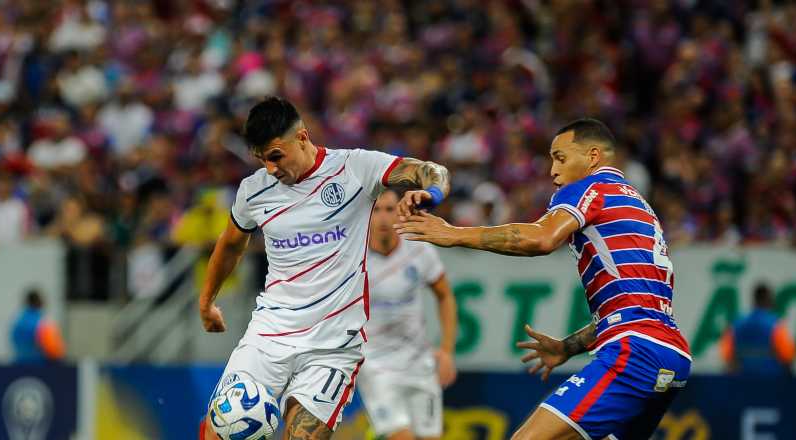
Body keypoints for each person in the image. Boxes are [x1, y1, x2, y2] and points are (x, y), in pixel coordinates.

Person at [395, 119, 691, 440]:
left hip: (635, 351)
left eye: (560, 158)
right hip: (672, 354)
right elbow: (636, 307)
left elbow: (542, 238)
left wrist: (454, 234)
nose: (553, 171)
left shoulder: (589, 188)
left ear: (592, 157)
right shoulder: (639, 206)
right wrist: (569, 347)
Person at [199, 96, 451, 440]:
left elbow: (432, 171)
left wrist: (432, 193)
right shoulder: (254, 191)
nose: (270, 169)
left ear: (302, 137)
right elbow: (230, 244)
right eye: (261, 159)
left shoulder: (355, 168)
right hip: (267, 336)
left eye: (276, 156)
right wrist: (207, 301)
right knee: (216, 433)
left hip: (332, 349)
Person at [356, 190, 458, 440]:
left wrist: (446, 350)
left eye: (389, 209)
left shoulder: (419, 250)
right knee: (402, 436)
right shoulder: (353, 256)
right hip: (376, 364)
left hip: (419, 361)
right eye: (376, 210)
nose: (382, 217)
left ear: (400, 212)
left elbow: (445, 296)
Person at [720, 283, 796, 375]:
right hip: (770, 380)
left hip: (743, 380)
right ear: (769, 300)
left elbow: (727, 356)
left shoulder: (737, 325)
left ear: (754, 300)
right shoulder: (775, 325)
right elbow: (788, 356)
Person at [10, 288, 66, 363]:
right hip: (41, 365)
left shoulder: (18, 323)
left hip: (20, 364)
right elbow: (53, 350)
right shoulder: (42, 324)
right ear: (39, 302)